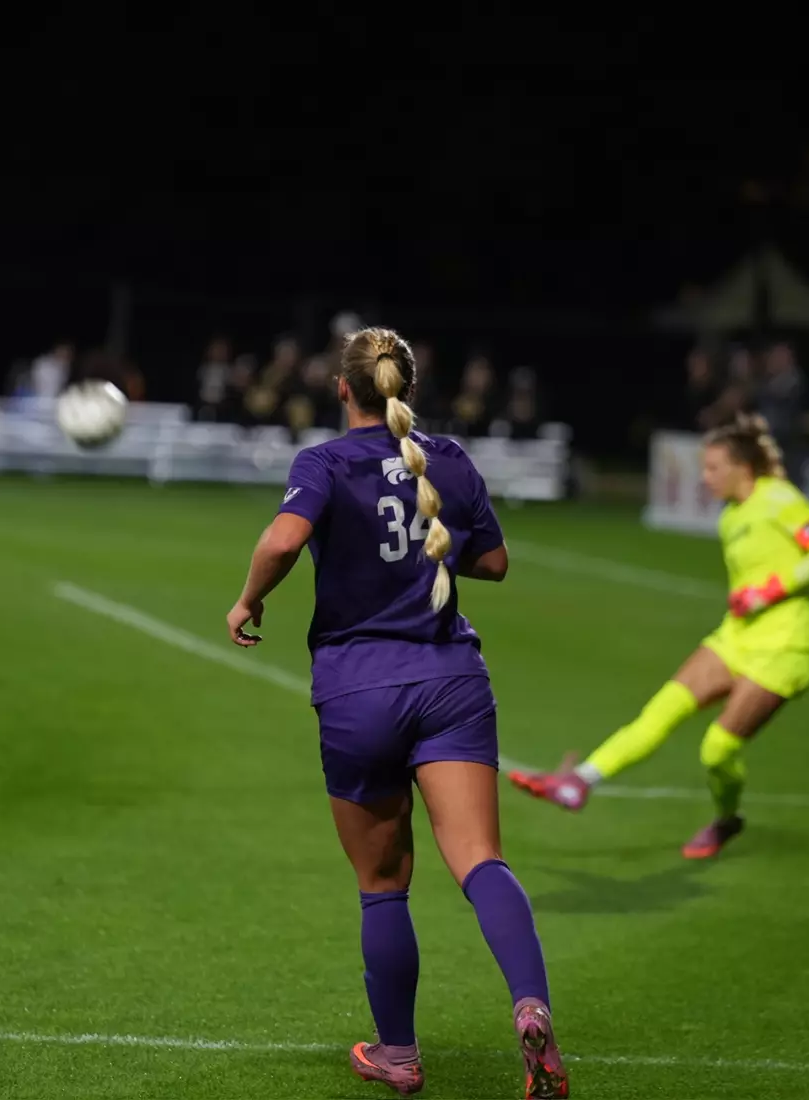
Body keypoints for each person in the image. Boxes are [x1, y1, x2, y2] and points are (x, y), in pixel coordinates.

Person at [225, 327, 567, 1099]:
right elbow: (495, 561)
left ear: (342, 388)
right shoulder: (445, 458)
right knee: (480, 859)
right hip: (450, 678)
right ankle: (530, 1003)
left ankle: (399, 1055)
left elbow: (283, 541)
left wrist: (249, 598)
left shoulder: (324, 462)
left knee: (384, 881)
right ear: (405, 388)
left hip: (358, 690)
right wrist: (427, 554)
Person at [510, 414, 809, 860]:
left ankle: (726, 820)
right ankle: (579, 781)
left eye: (712, 468)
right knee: (660, 711)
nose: (704, 478)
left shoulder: (779, 499)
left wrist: (771, 590)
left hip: (786, 649)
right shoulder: (732, 517)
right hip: (736, 637)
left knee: (718, 750)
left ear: (741, 467)